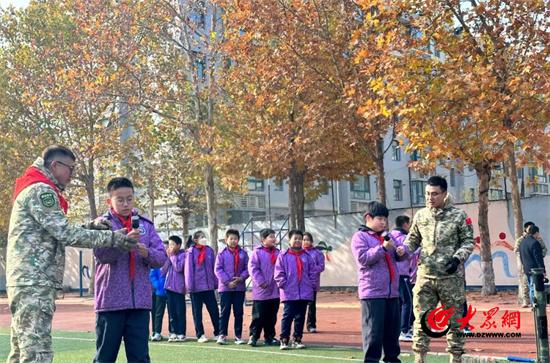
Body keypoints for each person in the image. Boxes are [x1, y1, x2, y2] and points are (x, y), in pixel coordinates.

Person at [6, 145, 138, 363]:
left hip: (27, 279)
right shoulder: (42, 190)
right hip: (34, 280)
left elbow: (56, 229)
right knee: (37, 353)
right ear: (54, 165)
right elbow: (65, 233)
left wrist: (91, 227)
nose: (72, 175)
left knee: (21, 351)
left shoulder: (33, 187)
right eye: (70, 169)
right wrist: (114, 238)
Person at [93, 177, 167, 363]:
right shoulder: (102, 225)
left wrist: (146, 252)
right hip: (111, 302)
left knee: (140, 358)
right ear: (109, 201)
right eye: (120, 199)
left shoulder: (145, 225)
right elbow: (101, 255)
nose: (126, 203)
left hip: (140, 303)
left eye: (129, 198)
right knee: (105, 357)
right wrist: (123, 244)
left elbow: (161, 258)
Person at [403, 176, 474, 363]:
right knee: (420, 321)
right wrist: (404, 249)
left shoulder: (459, 216)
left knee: (455, 322)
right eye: (427, 194)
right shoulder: (420, 215)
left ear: (444, 194)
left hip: (450, 279)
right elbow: (412, 239)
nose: (430, 198)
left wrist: (457, 259)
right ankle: (419, 359)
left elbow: (468, 242)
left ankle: (455, 359)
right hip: (425, 277)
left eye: (434, 194)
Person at [351, 201, 402, 363]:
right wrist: (383, 248)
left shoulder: (388, 236)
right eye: (380, 218)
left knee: (392, 334)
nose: (383, 222)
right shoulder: (360, 237)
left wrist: (402, 251)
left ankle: (392, 360)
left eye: (385, 219)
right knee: (374, 333)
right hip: (373, 293)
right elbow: (363, 258)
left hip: (392, 292)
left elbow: (401, 255)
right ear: (368, 217)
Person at [275, 229, 316, 350]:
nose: (298, 241)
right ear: (289, 240)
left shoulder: (307, 256)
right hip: (289, 292)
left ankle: (297, 339)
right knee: (287, 316)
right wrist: (284, 285)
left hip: (304, 292)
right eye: (295, 238)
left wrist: (311, 285)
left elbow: (313, 272)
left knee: (300, 316)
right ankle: (284, 339)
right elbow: (278, 272)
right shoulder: (283, 256)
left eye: (300, 239)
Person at [214, 229, 250, 345]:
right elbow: (218, 269)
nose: (234, 241)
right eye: (231, 239)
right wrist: (227, 282)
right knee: (224, 312)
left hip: (239, 288)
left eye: (235, 239)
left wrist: (241, 278)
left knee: (238, 312)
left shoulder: (243, 253)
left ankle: (238, 336)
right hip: (225, 288)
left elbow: (248, 268)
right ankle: (222, 335)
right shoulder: (221, 254)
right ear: (226, 240)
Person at [247, 228, 281, 347]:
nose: (273, 239)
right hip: (261, 290)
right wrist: (261, 281)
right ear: (263, 239)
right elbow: (253, 268)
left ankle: (270, 337)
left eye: (274, 236)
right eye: (270, 237)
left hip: (275, 290)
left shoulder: (278, 253)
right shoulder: (257, 252)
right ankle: (254, 336)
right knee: (258, 316)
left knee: (272, 316)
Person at [185, 230, 220, 343]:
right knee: (197, 312)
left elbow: (214, 268)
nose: (204, 239)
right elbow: (188, 270)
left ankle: (218, 332)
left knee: (214, 310)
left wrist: (215, 283)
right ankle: (200, 334)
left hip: (209, 287)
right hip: (196, 288)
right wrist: (190, 286)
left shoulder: (209, 250)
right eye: (201, 237)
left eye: (205, 237)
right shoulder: (191, 252)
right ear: (195, 240)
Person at [390, 215, 413, 342]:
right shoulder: (404, 238)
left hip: (394, 274)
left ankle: (400, 329)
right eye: (409, 224)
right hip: (402, 274)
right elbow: (411, 252)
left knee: (399, 302)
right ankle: (404, 330)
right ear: (405, 224)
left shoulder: (391, 236)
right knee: (407, 301)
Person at [514, 221, 547, 307]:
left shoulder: (537, 240)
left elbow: (544, 250)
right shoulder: (521, 240)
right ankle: (529, 302)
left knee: (532, 285)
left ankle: (534, 302)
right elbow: (517, 252)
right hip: (529, 265)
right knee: (528, 285)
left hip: (528, 265)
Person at [164, 235, 187, 342]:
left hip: (179, 287)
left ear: (178, 245)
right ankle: (172, 332)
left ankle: (181, 332)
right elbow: (163, 270)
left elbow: (178, 268)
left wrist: (172, 256)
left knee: (180, 311)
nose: (171, 246)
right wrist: (167, 257)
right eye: (169, 244)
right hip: (169, 286)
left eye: (173, 244)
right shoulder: (170, 255)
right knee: (171, 311)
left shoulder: (183, 255)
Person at [303, 232, 325, 333]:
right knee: (300, 306)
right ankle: (298, 326)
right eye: (303, 239)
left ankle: (311, 325)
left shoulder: (317, 253)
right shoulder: (299, 253)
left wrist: (310, 270)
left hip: (312, 283)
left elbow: (321, 267)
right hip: (300, 283)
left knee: (311, 305)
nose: (305, 241)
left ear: (311, 241)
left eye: (307, 239)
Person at [149, 241, 169, 341]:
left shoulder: (171, 259)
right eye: (164, 248)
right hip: (159, 291)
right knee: (157, 313)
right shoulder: (157, 261)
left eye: (167, 247)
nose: (166, 249)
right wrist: (158, 286)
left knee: (173, 313)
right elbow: (152, 275)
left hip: (170, 290)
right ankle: (156, 332)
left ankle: (173, 332)